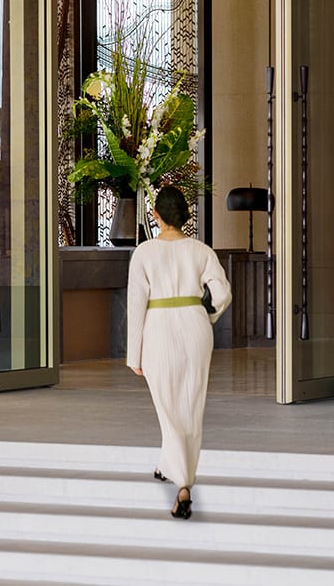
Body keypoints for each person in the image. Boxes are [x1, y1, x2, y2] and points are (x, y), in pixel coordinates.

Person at [126, 184, 232, 520]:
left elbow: (136, 305)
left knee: (168, 406)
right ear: (184, 215)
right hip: (195, 326)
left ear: (156, 215)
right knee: (190, 404)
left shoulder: (144, 252)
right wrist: (206, 316)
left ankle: (184, 484)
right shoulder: (202, 251)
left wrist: (134, 354)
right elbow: (222, 294)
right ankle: (165, 465)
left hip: (158, 328)